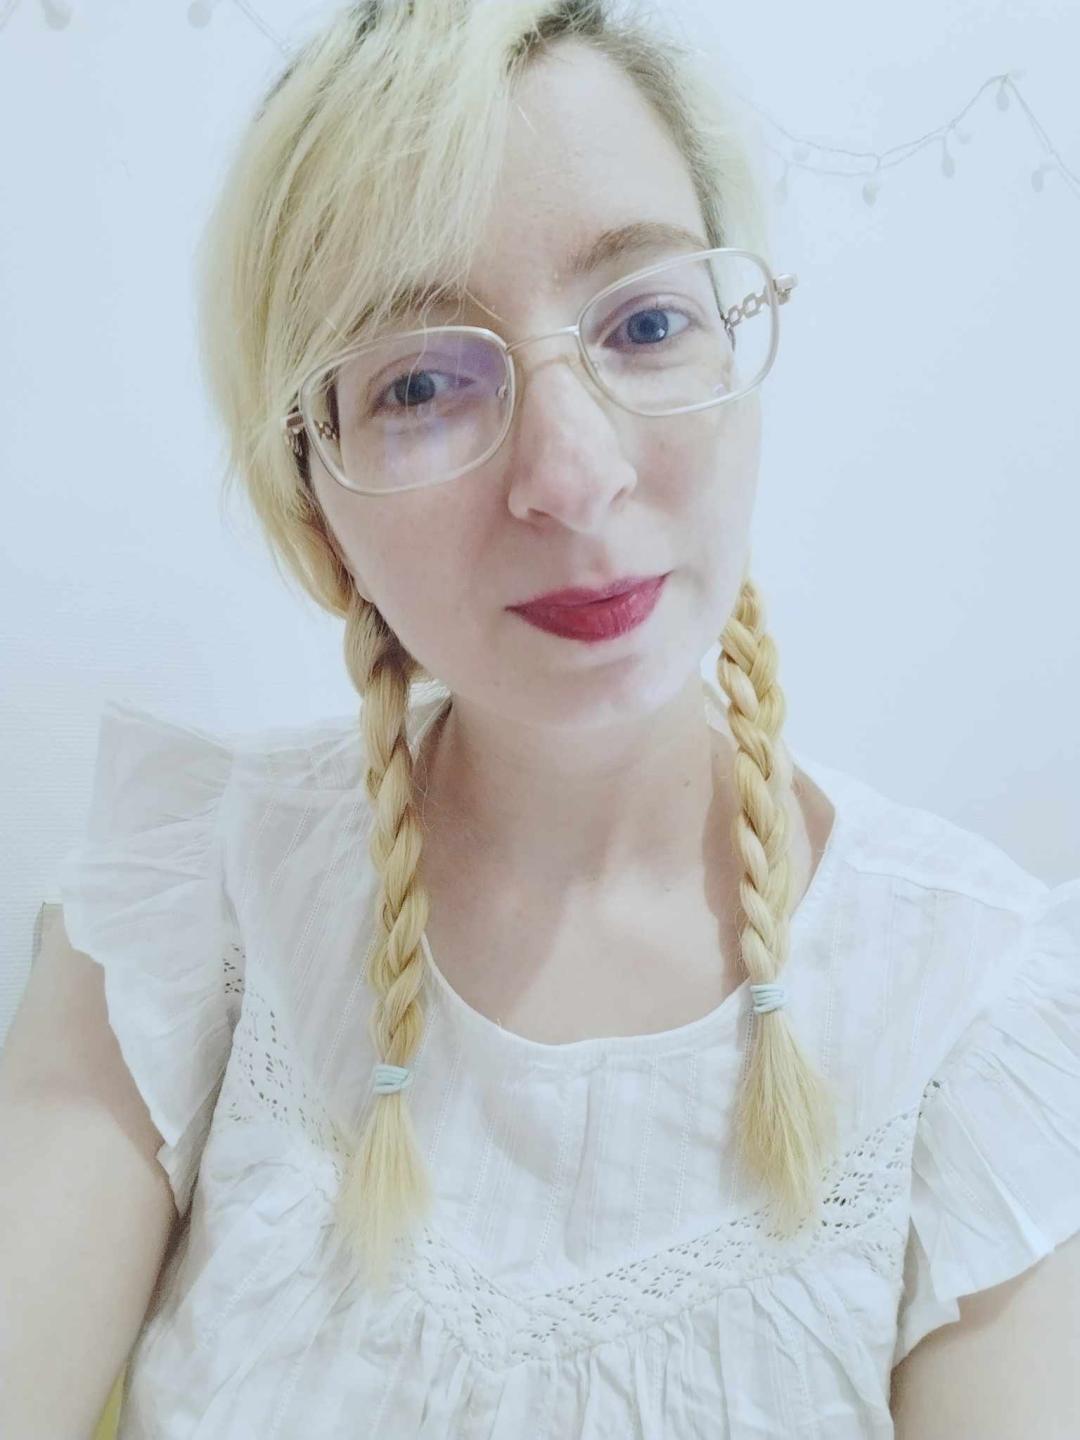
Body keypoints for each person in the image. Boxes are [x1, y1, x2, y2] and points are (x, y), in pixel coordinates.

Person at [3, 2, 1078, 1436]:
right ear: (316, 510)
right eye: (423, 382)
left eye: (648, 322)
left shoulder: (969, 1008)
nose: (572, 476)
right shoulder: (187, 905)